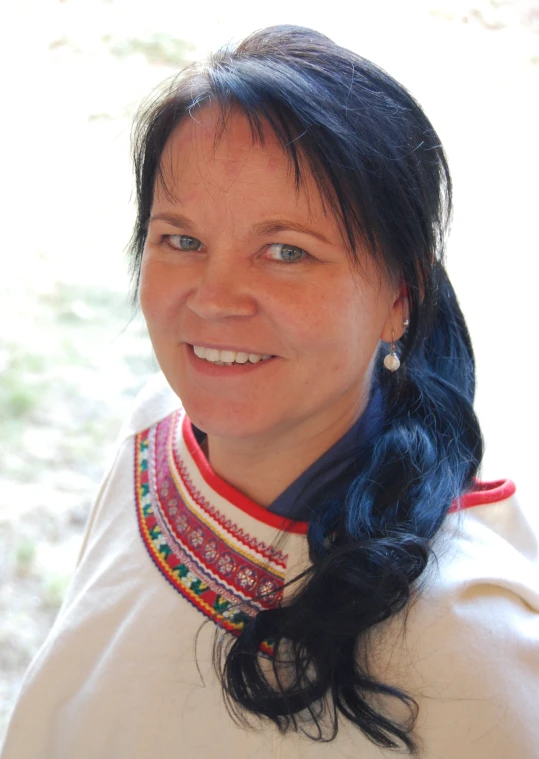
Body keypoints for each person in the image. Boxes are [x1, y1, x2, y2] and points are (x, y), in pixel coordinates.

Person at [1, 24, 538, 759]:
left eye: (286, 251)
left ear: (398, 296)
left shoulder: (465, 638)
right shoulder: (151, 439)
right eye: (181, 240)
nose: (215, 299)